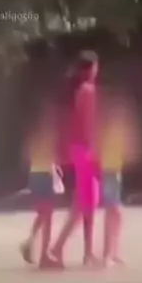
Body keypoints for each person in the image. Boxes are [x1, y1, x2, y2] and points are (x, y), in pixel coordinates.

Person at [50, 50, 101, 267]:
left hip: (76, 150)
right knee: (85, 202)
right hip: (85, 150)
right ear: (91, 69)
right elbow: (88, 126)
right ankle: (58, 248)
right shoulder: (88, 91)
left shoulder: (76, 91)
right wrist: (95, 154)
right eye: (96, 66)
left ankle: (87, 253)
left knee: (86, 202)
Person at [98, 90, 141, 267]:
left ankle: (113, 253)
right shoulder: (109, 128)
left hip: (114, 171)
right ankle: (107, 255)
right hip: (109, 171)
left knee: (115, 213)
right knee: (113, 211)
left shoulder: (116, 129)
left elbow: (130, 152)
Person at [20, 98, 63, 269]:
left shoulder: (34, 132)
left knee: (44, 214)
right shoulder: (48, 131)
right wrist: (54, 165)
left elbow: (29, 154)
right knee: (47, 215)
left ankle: (30, 244)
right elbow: (52, 153)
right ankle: (44, 255)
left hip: (36, 173)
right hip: (44, 175)